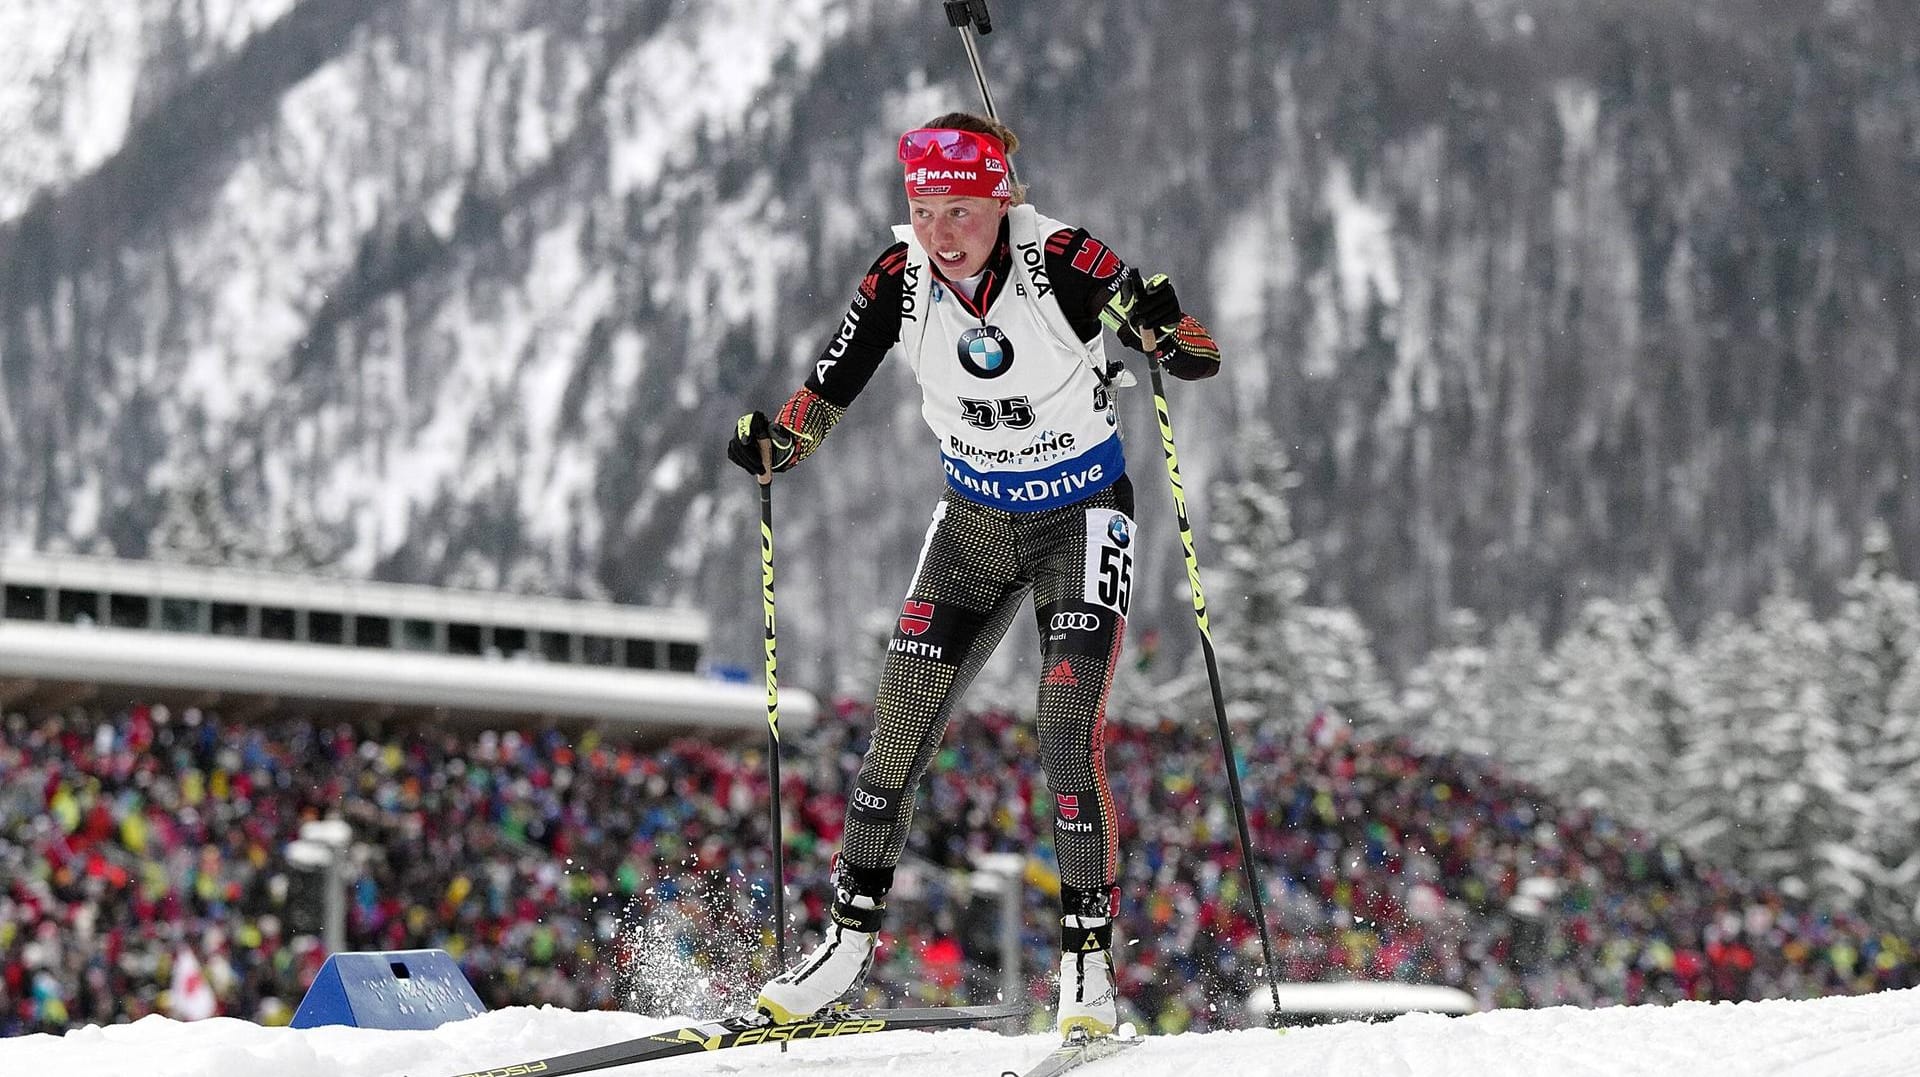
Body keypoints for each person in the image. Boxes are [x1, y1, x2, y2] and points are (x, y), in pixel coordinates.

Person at [724, 111, 1221, 1039]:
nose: (939, 231)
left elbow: (1193, 355)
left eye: (959, 209)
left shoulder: (1061, 258)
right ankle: (844, 944)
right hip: (974, 523)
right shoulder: (898, 274)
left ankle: (1087, 966)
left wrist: (1161, 320)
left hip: (1081, 516)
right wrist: (775, 443)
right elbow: (832, 383)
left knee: (1066, 726)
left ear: (1001, 198)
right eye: (922, 208)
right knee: (896, 731)